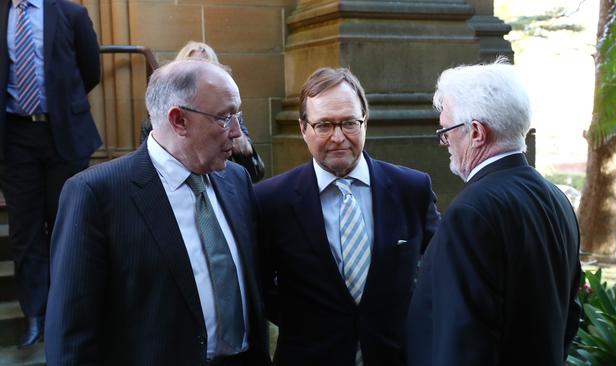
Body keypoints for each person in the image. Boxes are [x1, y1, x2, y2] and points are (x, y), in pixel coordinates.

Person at [45, 59, 271, 366]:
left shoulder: (236, 179)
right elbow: (71, 336)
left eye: (237, 115)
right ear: (178, 120)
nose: (236, 132)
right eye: (224, 118)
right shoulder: (95, 194)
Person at [255, 67, 441, 366]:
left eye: (349, 123)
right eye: (325, 125)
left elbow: (441, 270)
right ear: (304, 128)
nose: (338, 137)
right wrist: (309, 323)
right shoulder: (270, 201)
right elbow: (259, 287)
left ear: (365, 121)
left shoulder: (412, 189)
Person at [405, 58, 581, 365]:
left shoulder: (470, 212)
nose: (445, 141)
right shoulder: (558, 200)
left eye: (446, 130)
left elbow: (463, 342)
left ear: (476, 132)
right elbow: (569, 318)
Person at [0, 0, 101, 348]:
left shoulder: (70, 13)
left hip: (65, 133)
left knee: (66, 224)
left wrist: (62, 104)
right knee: (24, 230)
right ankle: (36, 315)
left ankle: (67, 308)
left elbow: (91, 70)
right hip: (14, 137)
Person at [140, 40, 265, 182]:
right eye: (193, 63)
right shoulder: (153, 125)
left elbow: (254, 174)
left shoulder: (232, 123)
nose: (202, 71)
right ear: (178, 120)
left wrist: (246, 151)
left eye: (208, 64)